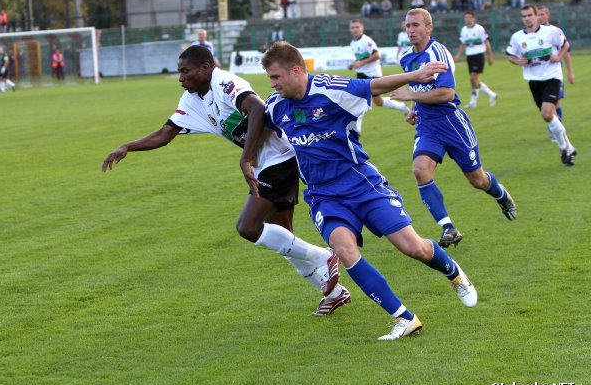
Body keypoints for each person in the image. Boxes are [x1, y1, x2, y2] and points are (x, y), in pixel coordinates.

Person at [243, 41, 477, 341]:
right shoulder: (276, 106)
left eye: (275, 77)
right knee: (344, 249)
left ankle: (454, 273)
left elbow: (373, 85)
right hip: (322, 195)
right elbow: (254, 128)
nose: (271, 84)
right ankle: (404, 318)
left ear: (296, 71)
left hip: (360, 183)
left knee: (413, 248)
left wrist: (415, 75)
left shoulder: (330, 89)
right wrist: (246, 156)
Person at [101, 45, 349, 316]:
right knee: (283, 239)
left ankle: (323, 256)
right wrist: (127, 146)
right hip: (267, 164)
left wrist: (246, 157)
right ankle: (334, 293)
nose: (180, 78)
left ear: (205, 68)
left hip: (281, 157)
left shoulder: (224, 82)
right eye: (179, 72)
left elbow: (258, 110)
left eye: (185, 71)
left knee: (248, 227)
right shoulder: (192, 99)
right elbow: (165, 134)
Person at [391, 8, 516, 248]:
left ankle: (501, 195)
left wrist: (409, 94)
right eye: (407, 26)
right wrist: (414, 108)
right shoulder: (407, 57)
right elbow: (421, 89)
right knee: (420, 171)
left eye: (416, 25)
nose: (411, 30)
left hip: (452, 124)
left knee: (477, 180)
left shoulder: (438, 53)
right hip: (428, 126)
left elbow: (447, 93)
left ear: (429, 28)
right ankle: (449, 228)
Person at [506, 4, 576, 166]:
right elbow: (510, 55)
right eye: (524, 16)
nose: (527, 18)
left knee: (547, 113)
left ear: (537, 16)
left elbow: (565, 44)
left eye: (530, 15)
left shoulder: (550, 32)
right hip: (533, 80)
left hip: (552, 77)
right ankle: (569, 148)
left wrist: (558, 57)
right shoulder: (517, 37)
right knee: (550, 117)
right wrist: (518, 61)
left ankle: (564, 148)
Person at [347, 19, 408, 132]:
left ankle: (356, 131)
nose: (355, 29)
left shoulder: (366, 40)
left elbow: (377, 55)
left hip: (373, 74)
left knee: (376, 102)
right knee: (362, 101)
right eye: (352, 27)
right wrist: (353, 64)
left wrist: (361, 63)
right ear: (350, 29)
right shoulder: (352, 43)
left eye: (357, 27)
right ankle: (357, 131)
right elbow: (361, 58)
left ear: (362, 28)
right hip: (361, 74)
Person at [537, 4, 574, 139]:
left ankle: (556, 130)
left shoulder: (555, 31)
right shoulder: (532, 33)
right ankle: (553, 126)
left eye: (543, 14)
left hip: (554, 74)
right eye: (538, 14)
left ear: (548, 15)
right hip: (538, 76)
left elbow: (566, 52)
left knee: (555, 102)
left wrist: (570, 72)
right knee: (544, 104)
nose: (540, 17)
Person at [453, 11, 498, 109]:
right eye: (466, 17)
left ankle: (476, 100)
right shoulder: (463, 30)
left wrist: (490, 56)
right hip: (470, 56)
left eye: (469, 17)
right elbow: (463, 44)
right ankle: (490, 95)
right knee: (474, 81)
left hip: (479, 55)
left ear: (473, 18)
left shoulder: (479, 29)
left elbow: (487, 42)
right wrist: (458, 55)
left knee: (473, 78)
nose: (467, 19)